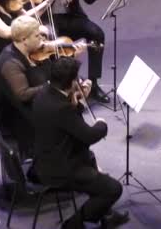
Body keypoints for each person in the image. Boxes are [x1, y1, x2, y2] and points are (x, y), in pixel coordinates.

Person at [32, 57, 129, 229]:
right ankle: (74, 224)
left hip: (44, 158)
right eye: (76, 79)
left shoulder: (44, 92)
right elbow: (89, 135)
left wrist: (78, 100)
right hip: (61, 170)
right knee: (113, 189)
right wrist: (102, 124)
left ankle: (105, 214)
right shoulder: (61, 108)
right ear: (70, 82)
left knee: (94, 165)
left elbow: (67, 123)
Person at [0, 15, 56, 157]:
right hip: (13, 115)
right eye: (37, 36)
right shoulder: (10, 63)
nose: (42, 39)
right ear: (24, 40)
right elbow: (23, 95)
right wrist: (52, 86)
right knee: (58, 118)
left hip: (26, 104)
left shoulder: (28, 51)